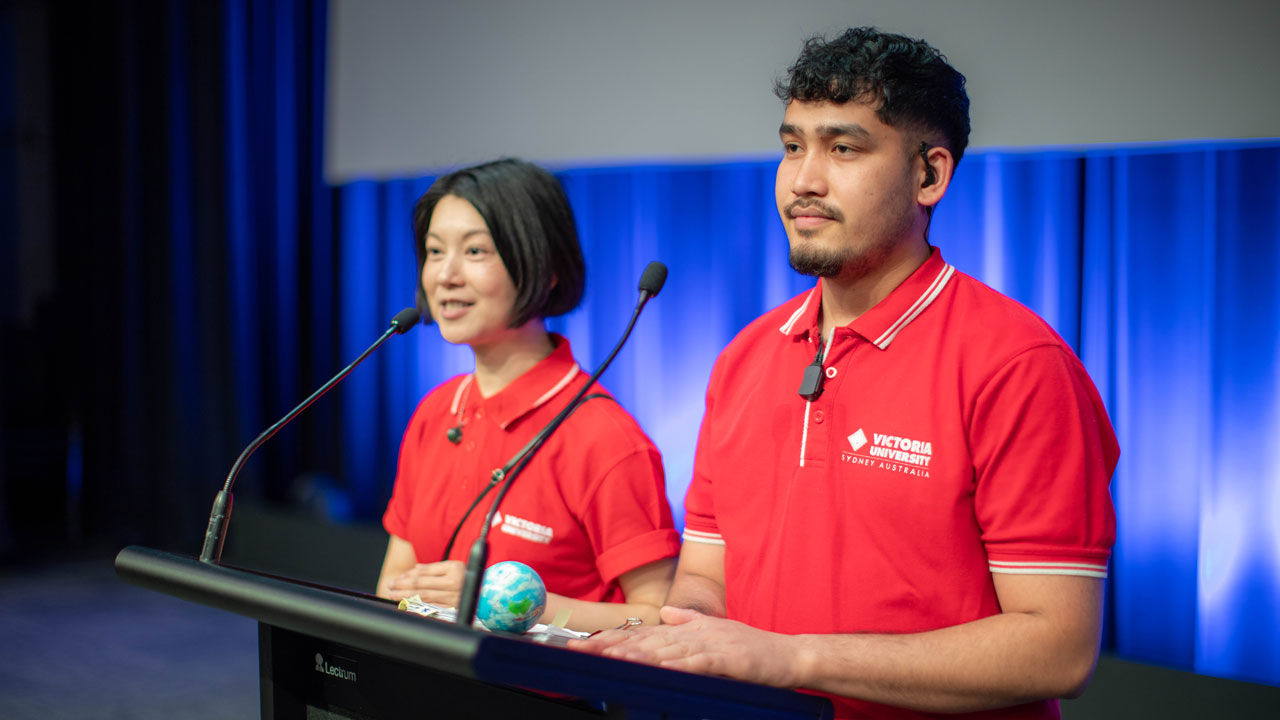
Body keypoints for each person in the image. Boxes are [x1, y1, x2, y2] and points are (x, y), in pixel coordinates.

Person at [572, 27, 1118, 719]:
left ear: (930, 175)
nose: (804, 179)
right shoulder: (743, 358)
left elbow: (1057, 649)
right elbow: (706, 587)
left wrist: (796, 658)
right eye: (793, 146)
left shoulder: (1018, 365)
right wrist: (646, 640)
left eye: (843, 148)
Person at [376, 158, 680, 633]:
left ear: (546, 267)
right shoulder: (435, 412)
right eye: (435, 252)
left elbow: (656, 619)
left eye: (475, 252)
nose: (445, 276)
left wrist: (512, 606)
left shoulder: (604, 437)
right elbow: (393, 588)